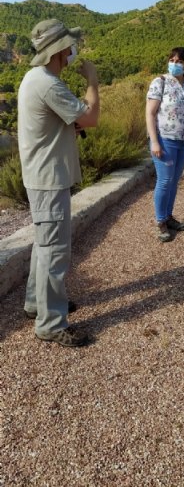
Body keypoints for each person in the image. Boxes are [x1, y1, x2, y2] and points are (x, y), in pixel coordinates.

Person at [17, 18, 99, 347]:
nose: (72, 51)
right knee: (55, 251)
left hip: (41, 175)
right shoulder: (49, 83)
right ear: (60, 50)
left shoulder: (34, 77)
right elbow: (91, 118)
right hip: (49, 179)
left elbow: (60, 121)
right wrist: (92, 82)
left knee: (44, 244)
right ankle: (51, 323)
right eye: (69, 46)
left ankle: (38, 304)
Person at [146, 46, 184, 242]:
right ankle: (160, 221)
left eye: (179, 61)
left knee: (174, 180)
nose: (174, 64)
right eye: (172, 60)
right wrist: (154, 141)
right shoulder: (160, 82)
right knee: (165, 180)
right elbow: (150, 113)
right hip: (165, 140)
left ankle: (169, 217)